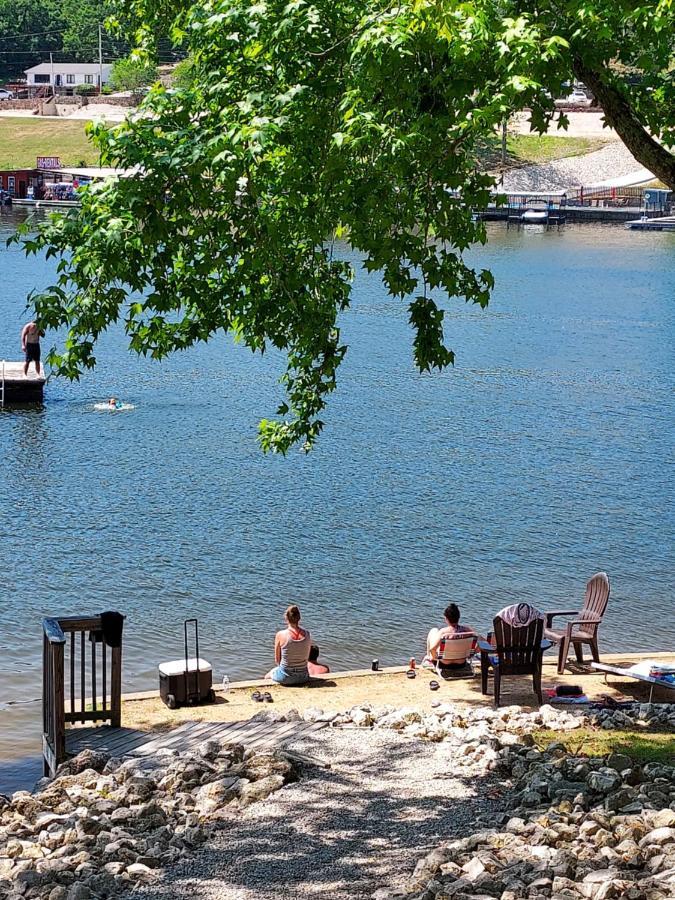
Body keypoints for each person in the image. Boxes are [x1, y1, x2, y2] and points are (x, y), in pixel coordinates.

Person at [265, 605, 311, 686]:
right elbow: (306, 656)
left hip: (285, 676)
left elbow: (277, 660)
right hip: (304, 676)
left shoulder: (280, 634)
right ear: (299, 618)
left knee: (267, 676)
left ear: (286, 618)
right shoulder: (307, 634)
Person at [424, 603, 479, 668]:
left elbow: (432, 649)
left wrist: (434, 658)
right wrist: (472, 653)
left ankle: (430, 660)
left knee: (434, 630)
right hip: (461, 664)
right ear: (458, 617)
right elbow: (484, 643)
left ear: (446, 618)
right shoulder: (467, 631)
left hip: (444, 664)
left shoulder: (444, 632)